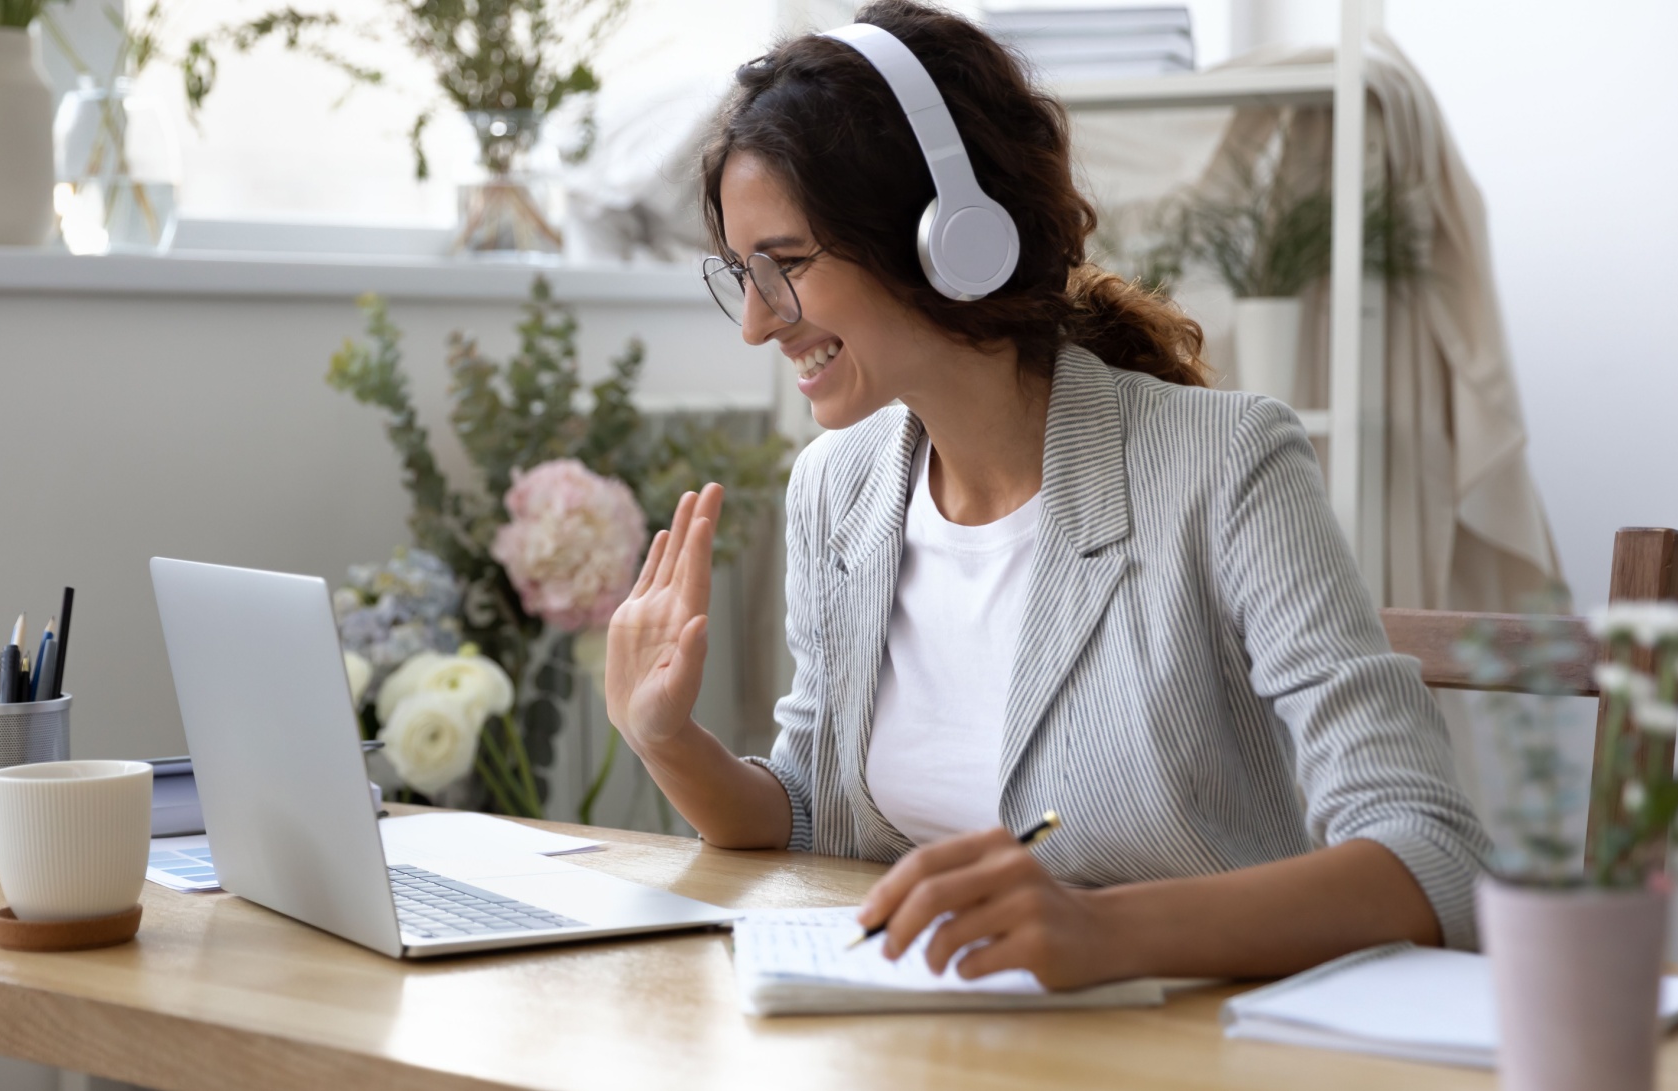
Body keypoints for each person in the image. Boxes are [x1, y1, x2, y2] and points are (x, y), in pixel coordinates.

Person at [603, 0, 1489, 991]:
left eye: (789, 266)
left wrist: (1105, 931)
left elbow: (1435, 859)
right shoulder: (837, 489)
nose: (758, 324)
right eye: (740, 274)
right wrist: (668, 740)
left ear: (946, 235)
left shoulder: (1228, 465)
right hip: (920, 1047)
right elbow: (809, 812)